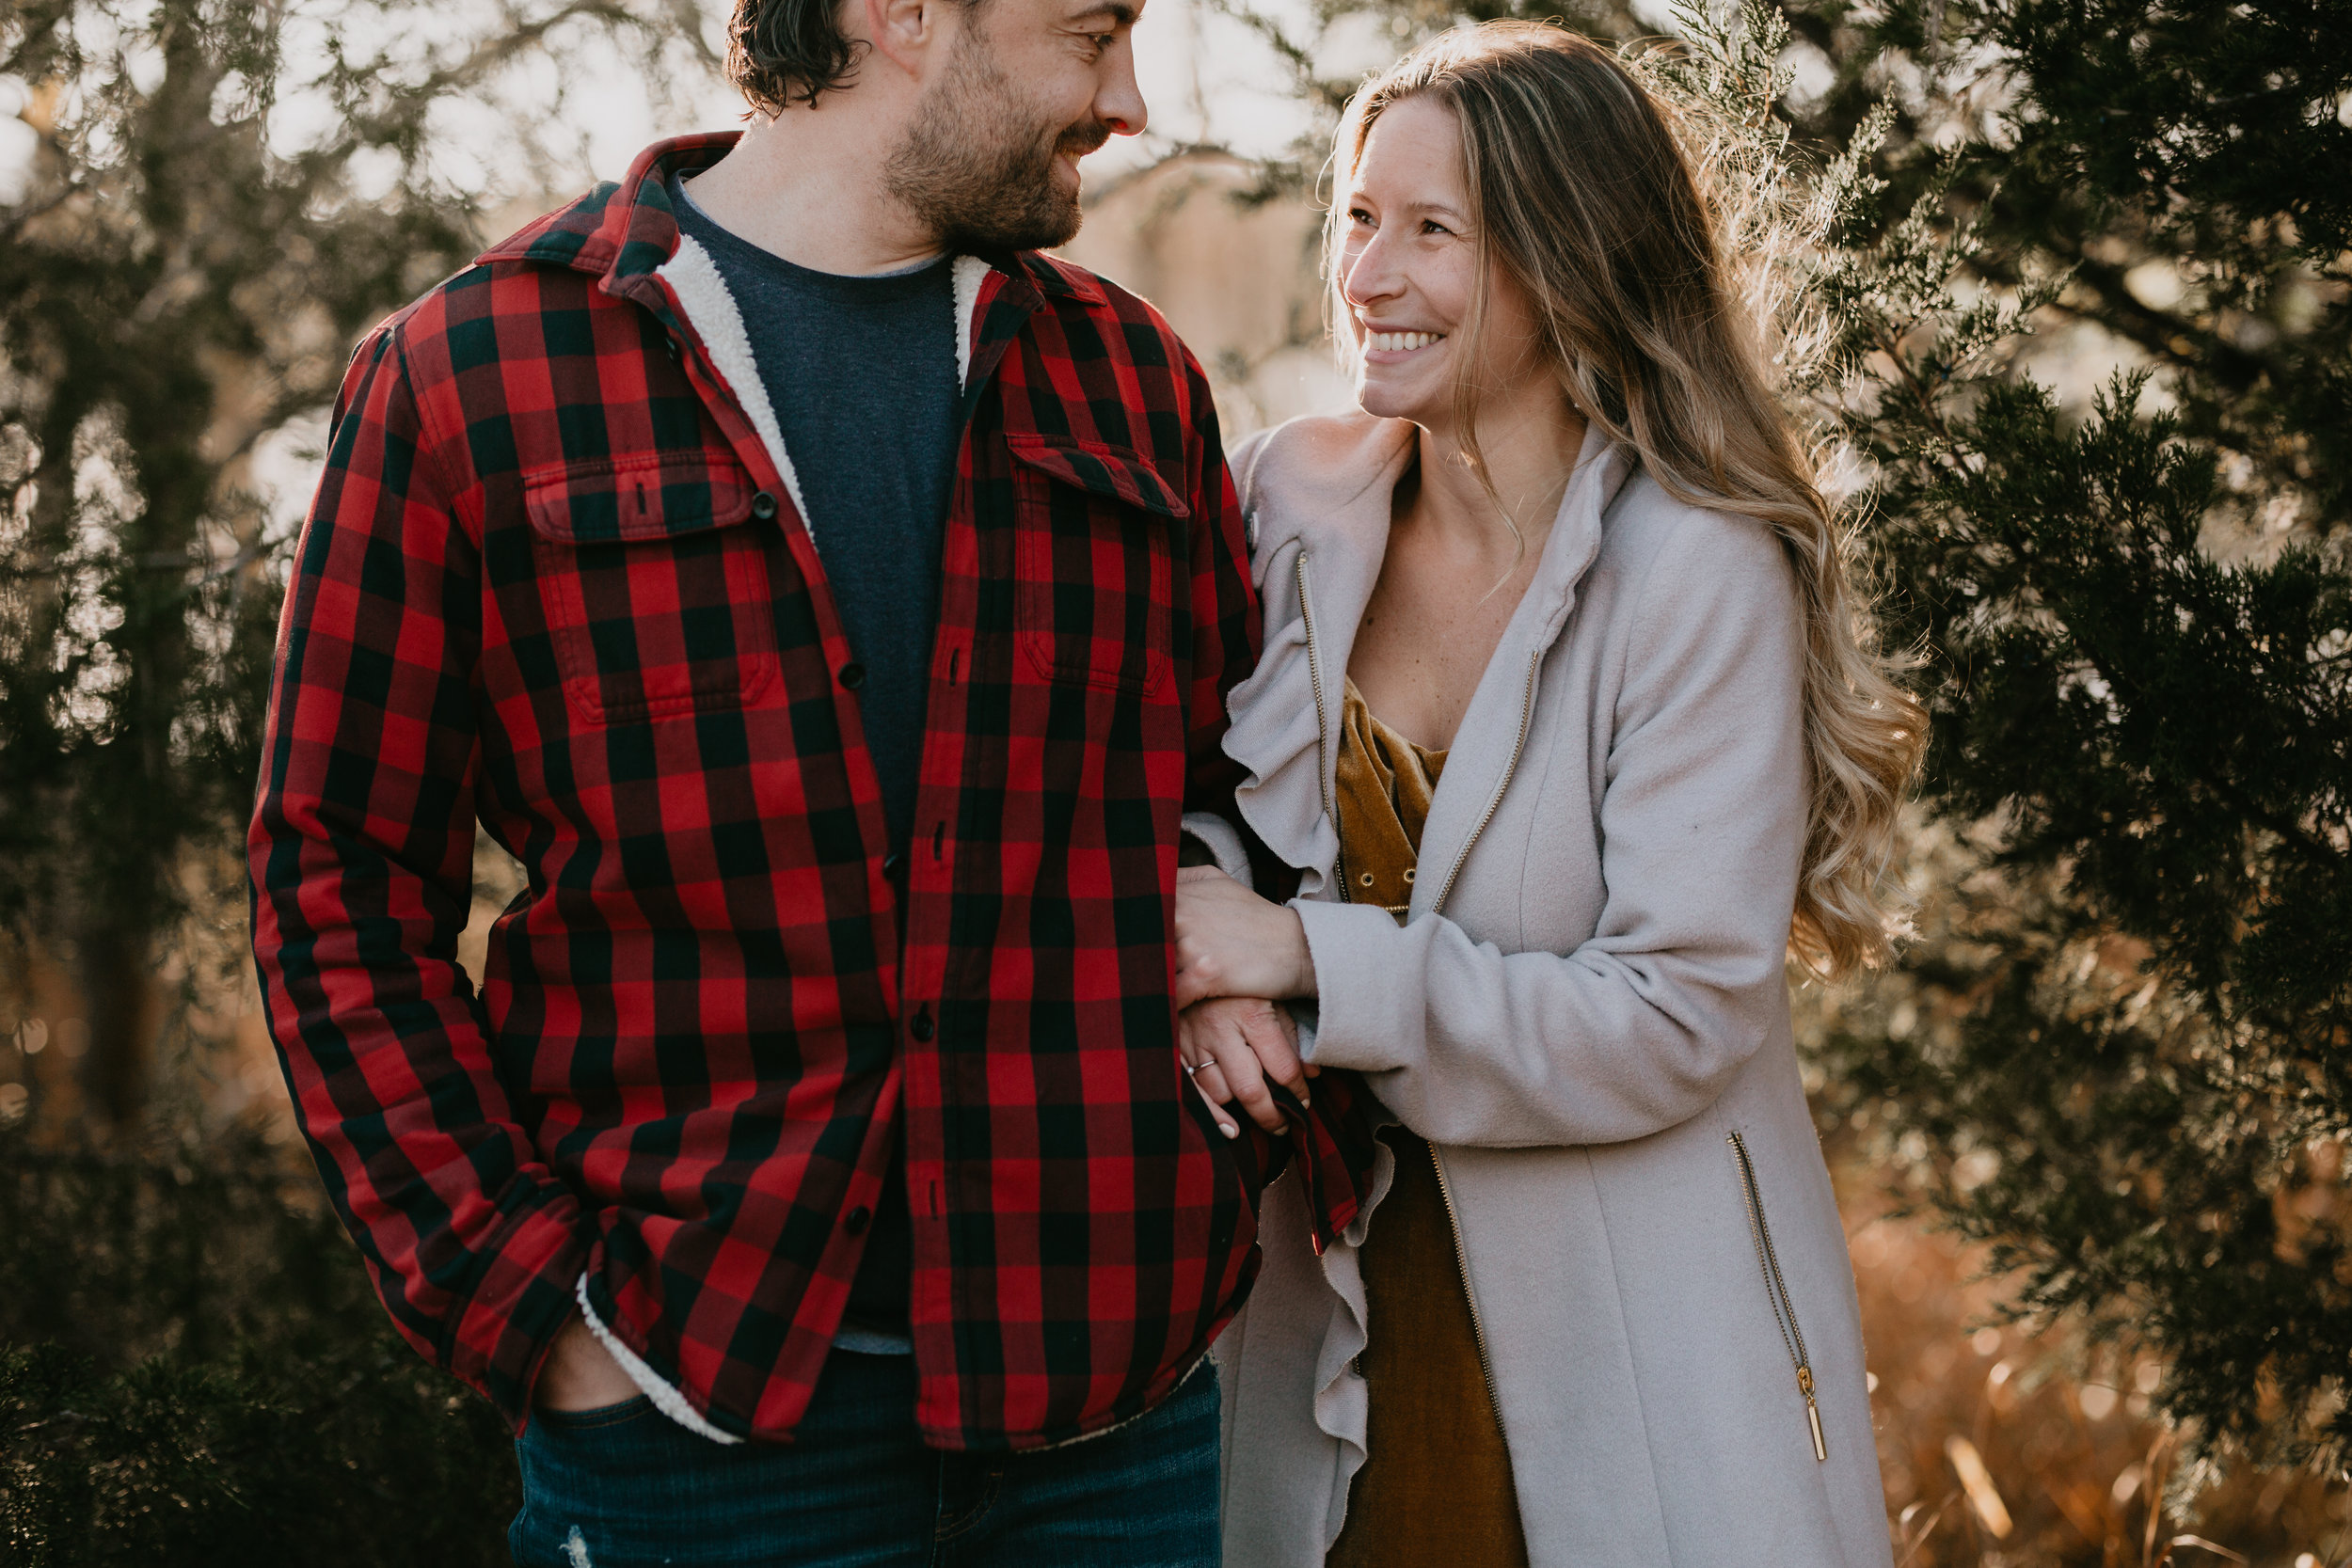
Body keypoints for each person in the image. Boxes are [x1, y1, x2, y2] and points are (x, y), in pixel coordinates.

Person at [246, 0, 1368, 1559]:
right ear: (901, 15)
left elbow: (1230, 784)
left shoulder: (1133, 385)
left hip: (1113, 1416)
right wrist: (528, 1307)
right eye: (1092, 35)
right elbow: (334, 879)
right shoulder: (470, 372)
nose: (1129, 101)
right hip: (693, 1416)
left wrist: (1221, 989)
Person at [1173, 23, 1926, 1568]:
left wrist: (1309, 963)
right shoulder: (1277, 505)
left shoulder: (1701, 569)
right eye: (1360, 219)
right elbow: (1183, 798)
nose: (1367, 277)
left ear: (1569, 260)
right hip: (1305, 1297)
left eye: (1432, 232)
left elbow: (1669, 1017)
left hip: (1626, 1331)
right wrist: (1203, 972)